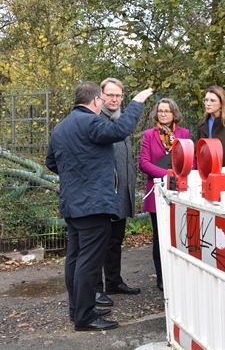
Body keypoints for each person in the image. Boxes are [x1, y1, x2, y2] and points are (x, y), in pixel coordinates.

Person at [46, 81, 153, 331]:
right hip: (93, 205)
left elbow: (52, 162)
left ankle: (78, 310)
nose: (104, 104)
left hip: (73, 204)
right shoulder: (90, 121)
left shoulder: (61, 127)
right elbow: (119, 131)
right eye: (103, 100)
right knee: (88, 262)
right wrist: (137, 102)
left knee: (74, 259)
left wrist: (78, 174)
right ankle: (85, 317)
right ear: (96, 100)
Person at [93, 78, 140, 309]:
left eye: (118, 96)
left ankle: (113, 282)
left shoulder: (121, 119)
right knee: (99, 243)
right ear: (100, 96)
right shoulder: (95, 121)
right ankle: (96, 290)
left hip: (121, 192)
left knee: (115, 240)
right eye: (110, 95)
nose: (114, 99)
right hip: (104, 194)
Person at [139, 98, 191, 291]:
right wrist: (167, 175)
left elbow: (191, 160)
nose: (163, 114)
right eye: (160, 111)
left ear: (174, 113)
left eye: (167, 111)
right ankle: (162, 277)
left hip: (180, 190)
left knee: (180, 235)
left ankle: (180, 274)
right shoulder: (149, 135)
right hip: (157, 191)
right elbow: (143, 163)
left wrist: (180, 174)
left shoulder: (184, 134)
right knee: (159, 237)